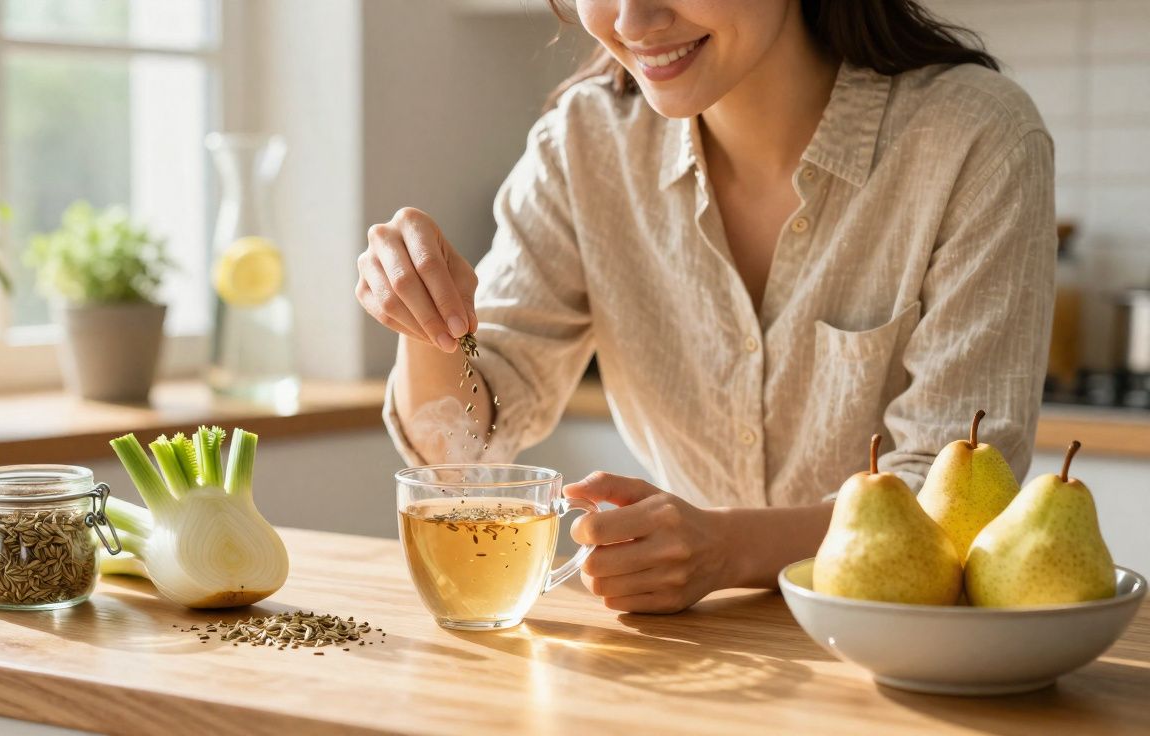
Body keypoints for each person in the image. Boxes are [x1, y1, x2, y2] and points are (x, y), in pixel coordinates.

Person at [355, 0, 1055, 614]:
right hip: (698, 654)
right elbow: (465, 448)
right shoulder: (584, 144)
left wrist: (727, 548)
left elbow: (957, 500)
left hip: (904, 657)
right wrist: (427, 320)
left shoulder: (975, 138)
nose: (633, 20)